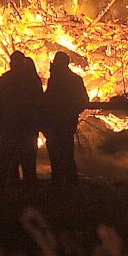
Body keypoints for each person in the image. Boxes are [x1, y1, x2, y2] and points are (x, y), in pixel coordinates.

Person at [0, 51, 43, 187]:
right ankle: (29, 191)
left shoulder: (4, 81)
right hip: (27, 127)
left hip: (7, 126)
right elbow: (40, 103)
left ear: (11, 63)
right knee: (28, 162)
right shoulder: (32, 82)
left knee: (4, 161)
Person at [43, 51, 88, 185]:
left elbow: (82, 100)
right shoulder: (70, 79)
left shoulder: (61, 80)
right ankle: (67, 181)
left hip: (60, 122)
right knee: (65, 152)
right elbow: (83, 100)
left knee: (61, 152)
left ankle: (64, 181)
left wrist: (70, 112)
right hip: (61, 122)